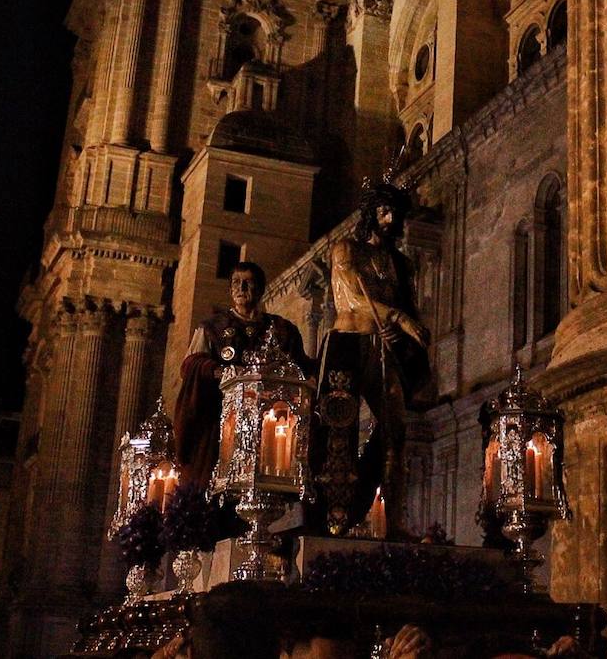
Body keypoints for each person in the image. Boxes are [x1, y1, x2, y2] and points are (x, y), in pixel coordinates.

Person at [311, 177, 430, 536]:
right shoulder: (346, 250)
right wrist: (400, 318)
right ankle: (329, 518)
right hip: (347, 343)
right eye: (383, 211)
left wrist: (399, 327)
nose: (389, 219)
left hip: (384, 347)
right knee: (336, 429)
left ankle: (391, 521)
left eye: (394, 212)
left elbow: (402, 302)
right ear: (370, 213)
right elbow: (351, 299)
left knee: (396, 430)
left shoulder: (397, 263)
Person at [173, 261, 310, 486]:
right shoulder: (212, 328)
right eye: (236, 283)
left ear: (261, 288)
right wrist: (221, 371)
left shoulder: (283, 330)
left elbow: (302, 369)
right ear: (229, 289)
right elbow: (190, 364)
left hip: (269, 427)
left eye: (248, 283)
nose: (241, 288)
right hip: (221, 421)